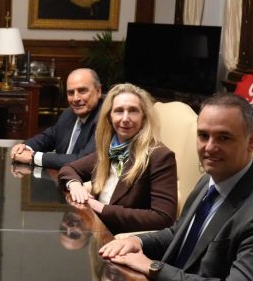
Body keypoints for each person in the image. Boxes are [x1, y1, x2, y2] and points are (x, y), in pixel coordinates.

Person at [99, 93, 253, 281]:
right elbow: (178, 234)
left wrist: (153, 268)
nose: (210, 147)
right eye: (203, 136)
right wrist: (137, 242)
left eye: (224, 138)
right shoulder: (210, 180)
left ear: (251, 141)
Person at [58, 83, 178, 234]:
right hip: (97, 230)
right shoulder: (110, 149)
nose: (125, 118)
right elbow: (69, 169)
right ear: (109, 117)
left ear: (144, 117)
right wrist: (75, 185)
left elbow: (163, 218)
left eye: (133, 111)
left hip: (123, 239)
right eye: (119, 111)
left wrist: (100, 208)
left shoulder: (160, 156)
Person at [11, 68, 103, 169]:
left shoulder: (104, 120)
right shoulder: (68, 113)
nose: (76, 98)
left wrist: (34, 157)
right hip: (59, 175)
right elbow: (49, 137)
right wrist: (25, 147)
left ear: (98, 91)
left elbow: (83, 160)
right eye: (71, 93)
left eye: (82, 91)